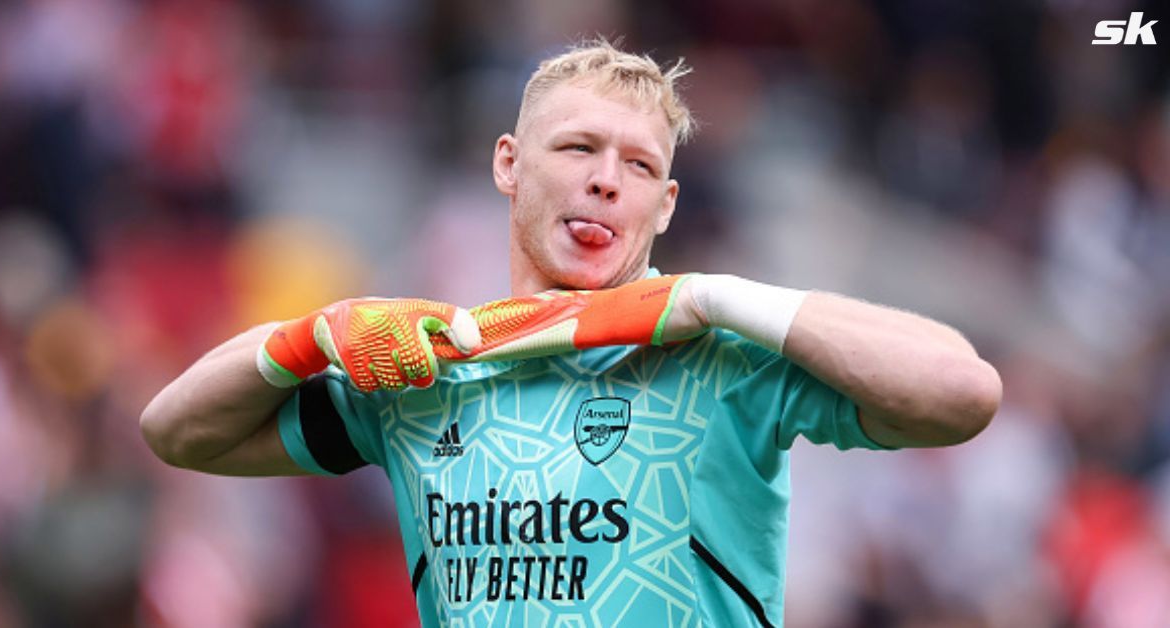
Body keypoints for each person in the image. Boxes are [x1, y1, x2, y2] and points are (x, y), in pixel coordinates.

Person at [141, 40, 1001, 627]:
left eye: (639, 167)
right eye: (578, 149)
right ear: (509, 164)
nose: (604, 183)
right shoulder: (431, 370)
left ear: (666, 205)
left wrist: (714, 298)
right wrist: (311, 338)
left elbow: (962, 392)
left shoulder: (720, 356)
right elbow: (175, 431)